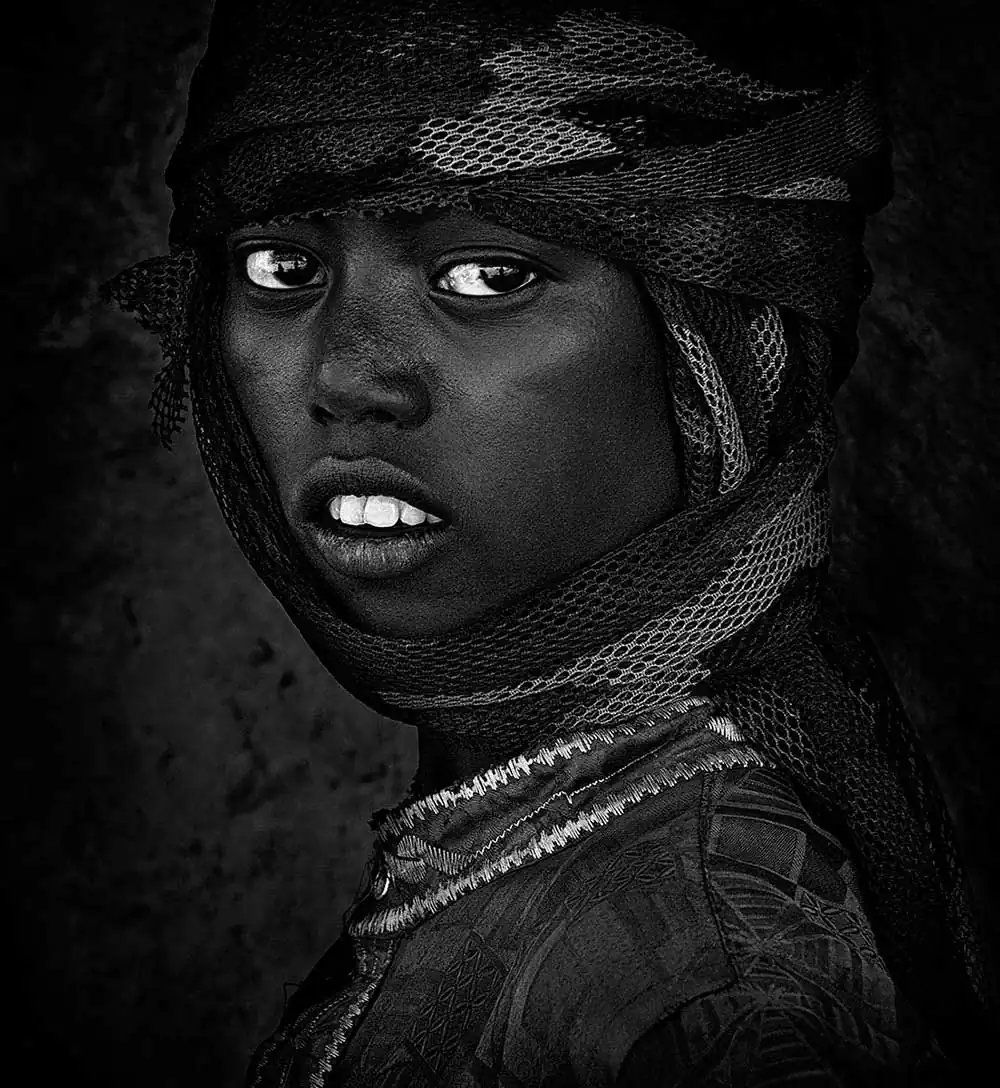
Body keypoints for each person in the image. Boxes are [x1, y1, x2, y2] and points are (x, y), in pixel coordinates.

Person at [105, 1, 995, 1084]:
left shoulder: (725, 980)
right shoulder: (540, 838)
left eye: (486, 277)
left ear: (715, 351)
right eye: (280, 269)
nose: (345, 376)